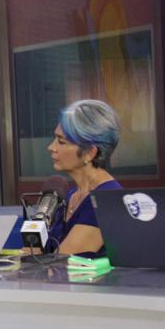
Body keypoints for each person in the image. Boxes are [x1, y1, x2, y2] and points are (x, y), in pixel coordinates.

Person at [44, 100, 122, 257]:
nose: (51, 147)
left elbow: (62, 261)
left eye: (61, 142)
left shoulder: (107, 200)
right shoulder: (71, 195)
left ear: (90, 153)